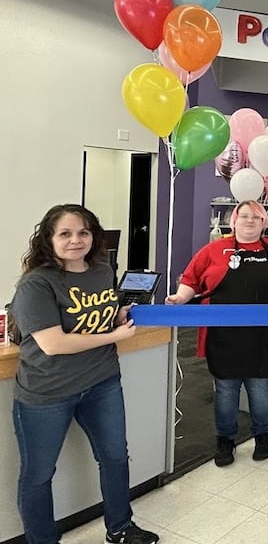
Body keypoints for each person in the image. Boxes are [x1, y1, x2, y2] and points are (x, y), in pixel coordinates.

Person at [10, 204, 159, 544]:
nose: (75, 240)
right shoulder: (37, 283)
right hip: (47, 391)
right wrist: (114, 336)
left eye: (83, 232)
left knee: (115, 458)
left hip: (101, 382)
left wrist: (116, 315)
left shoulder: (102, 270)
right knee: (39, 474)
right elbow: (53, 344)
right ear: (49, 239)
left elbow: (95, 316)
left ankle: (120, 528)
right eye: (65, 233)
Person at [165, 201, 268, 467]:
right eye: (244, 216)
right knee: (226, 390)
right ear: (234, 221)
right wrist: (180, 298)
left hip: (264, 335)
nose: (250, 221)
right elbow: (191, 280)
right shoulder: (213, 250)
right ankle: (225, 440)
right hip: (223, 336)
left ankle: (262, 436)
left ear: (263, 223)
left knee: (260, 388)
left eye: (256, 217)